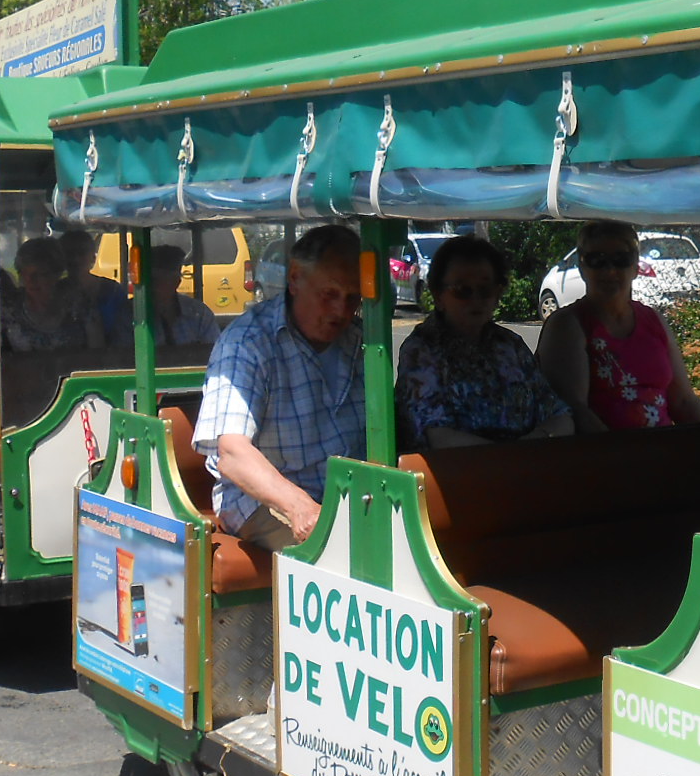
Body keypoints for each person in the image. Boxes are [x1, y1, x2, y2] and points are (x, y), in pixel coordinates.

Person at [192, 223, 366, 550]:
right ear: (295, 278)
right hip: (263, 502)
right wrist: (299, 506)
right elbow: (232, 453)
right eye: (329, 294)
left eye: (352, 298)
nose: (341, 311)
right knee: (351, 552)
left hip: (346, 500)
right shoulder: (247, 343)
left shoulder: (362, 339)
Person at [398, 237, 573, 448]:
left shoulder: (510, 345)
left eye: (485, 290)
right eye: (462, 290)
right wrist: (507, 458)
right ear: (438, 295)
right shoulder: (421, 351)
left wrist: (537, 441)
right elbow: (437, 436)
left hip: (526, 465)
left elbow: (560, 415)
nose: (476, 300)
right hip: (459, 473)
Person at [535, 221, 700, 432]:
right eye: (597, 260)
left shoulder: (654, 321)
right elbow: (574, 411)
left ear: (636, 267)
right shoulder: (567, 325)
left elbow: (683, 402)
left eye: (621, 260)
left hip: (662, 454)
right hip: (603, 457)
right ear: (582, 267)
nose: (609, 271)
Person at [0, 237, 102, 353]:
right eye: (23, 273)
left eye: (39, 274)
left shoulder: (79, 304)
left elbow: (98, 352)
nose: (30, 280)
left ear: (56, 273)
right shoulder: (10, 308)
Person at [145, 238, 224, 349]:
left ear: (176, 282)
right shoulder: (131, 315)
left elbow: (215, 352)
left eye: (162, 278)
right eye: (151, 279)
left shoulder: (199, 314)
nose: (153, 285)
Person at [60, 230, 131, 338]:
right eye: (70, 253)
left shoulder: (113, 290)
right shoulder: (56, 291)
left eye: (81, 253)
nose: (75, 259)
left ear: (93, 257)